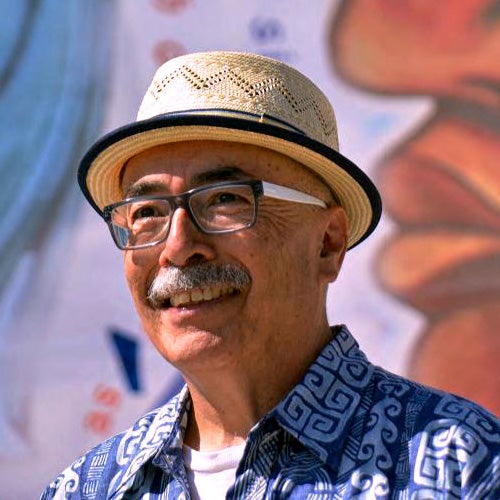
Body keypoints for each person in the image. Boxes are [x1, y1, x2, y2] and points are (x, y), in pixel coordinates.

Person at [41, 51, 500, 499]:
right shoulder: (88, 488)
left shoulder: (459, 467)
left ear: (328, 242)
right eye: (147, 212)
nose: (177, 247)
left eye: (224, 200)